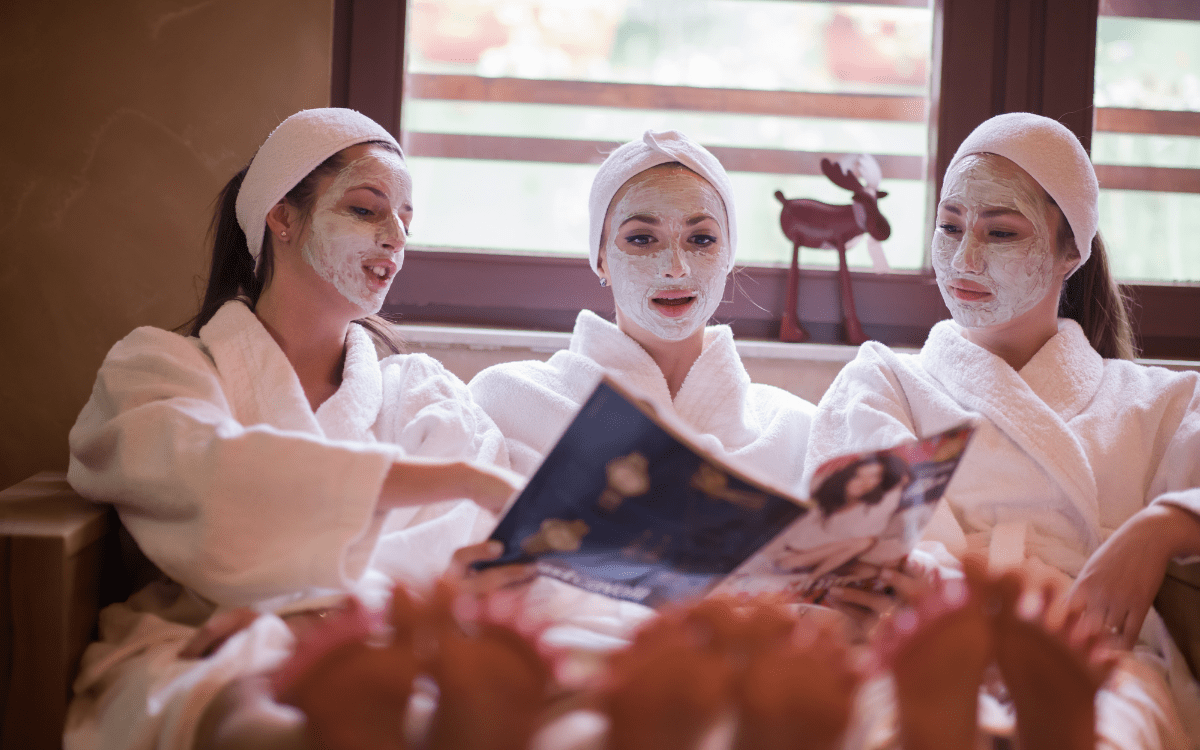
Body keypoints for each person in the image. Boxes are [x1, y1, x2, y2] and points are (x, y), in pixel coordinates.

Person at [64, 108, 526, 750]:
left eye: (406, 219)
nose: (396, 236)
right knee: (269, 723)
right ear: (282, 216)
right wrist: (458, 478)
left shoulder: (419, 394)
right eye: (367, 209)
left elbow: (450, 555)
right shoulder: (162, 369)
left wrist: (313, 617)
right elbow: (209, 481)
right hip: (203, 643)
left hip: (384, 640)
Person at [804, 112, 1200, 748]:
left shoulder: (1162, 402)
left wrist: (1165, 527)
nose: (964, 258)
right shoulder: (882, 383)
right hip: (925, 646)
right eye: (950, 226)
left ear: (1072, 252)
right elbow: (872, 545)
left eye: (1002, 232)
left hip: (1095, 666)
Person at [468, 129, 816, 635]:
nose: (675, 268)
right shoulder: (510, 401)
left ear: (728, 256)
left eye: (701, 239)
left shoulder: (796, 431)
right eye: (641, 238)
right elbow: (453, 571)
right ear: (601, 258)